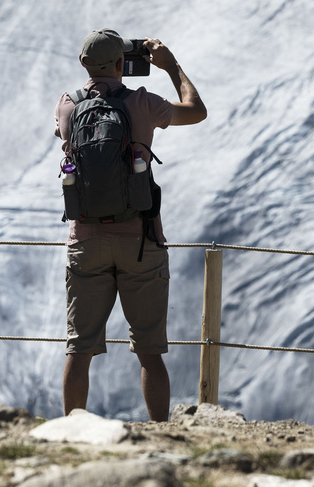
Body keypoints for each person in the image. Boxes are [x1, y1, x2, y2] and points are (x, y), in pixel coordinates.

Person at [54, 29, 207, 421]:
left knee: (79, 349)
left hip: (85, 241)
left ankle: (71, 431)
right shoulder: (142, 103)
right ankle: (161, 432)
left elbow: (62, 134)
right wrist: (171, 66)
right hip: (140, 240)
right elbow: (196, 110)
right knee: (149, 352)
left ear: (83, 63)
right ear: (123, 64)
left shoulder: (68, 105)